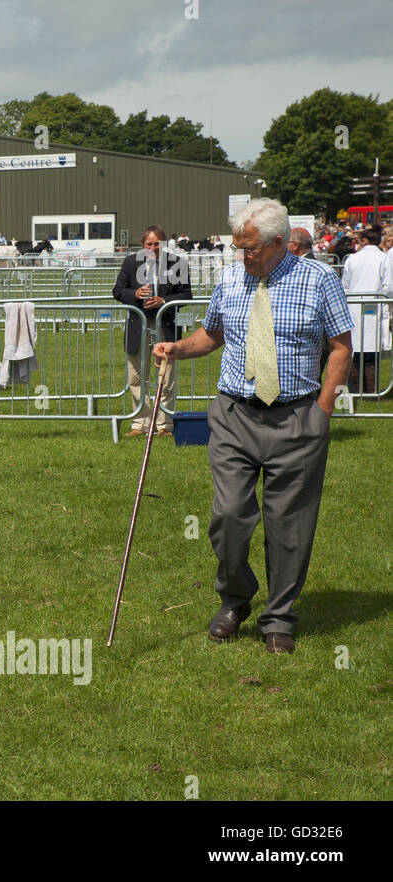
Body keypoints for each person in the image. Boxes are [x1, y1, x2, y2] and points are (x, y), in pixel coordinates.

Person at [153, 198, 352, 654]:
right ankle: (235, 598)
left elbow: (341, 346)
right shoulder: (229, 279)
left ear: (279, 243)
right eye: (238, 248)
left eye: (251, 249)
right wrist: (176, 349)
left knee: (289, 525)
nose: (243, 257)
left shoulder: (319, 280)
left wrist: (324, 408)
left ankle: (279, 616)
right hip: (234, 416)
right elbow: (213, 334)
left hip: (298, 417)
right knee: (229, 515)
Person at [112, 226, 191, 437]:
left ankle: (164, 425)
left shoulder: (177, 264)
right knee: (136, 377)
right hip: (139, 327)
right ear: (142, 244)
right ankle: (141, 424)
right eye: (149, 244)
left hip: (164, 327)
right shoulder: (130, 263)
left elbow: (186, 294)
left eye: (157, 244)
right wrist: (135, 294)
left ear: (164, 245)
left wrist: (163, 301)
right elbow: (118, 291)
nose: (153, 248)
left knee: (166, 378)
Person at [339, 227, 392, 395]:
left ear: (364, 241)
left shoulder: (352, 259)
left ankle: (357, 390)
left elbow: (345, 286)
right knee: (371, 352)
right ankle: (372, 392)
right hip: (375, 307)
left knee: (356, 350)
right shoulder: (383, 258)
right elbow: (389, 286)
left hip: (353, 307)